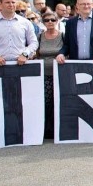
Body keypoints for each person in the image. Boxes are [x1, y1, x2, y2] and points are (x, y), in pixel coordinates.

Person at [36, 11, 64, 139]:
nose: (50, 22)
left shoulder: (62, 36)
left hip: (60, 74)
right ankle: (46, 129)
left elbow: (66, 51)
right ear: (43, 23)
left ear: (57, 21)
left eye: (53, 20)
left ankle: (57, 128)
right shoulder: (40, 36)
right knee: (46, 102)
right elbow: (36, 53)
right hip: (45, 74)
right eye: (47, 20)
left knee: (58, 101)